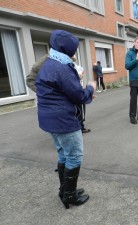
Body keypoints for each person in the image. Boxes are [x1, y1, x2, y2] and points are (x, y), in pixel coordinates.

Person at [35, 30, 96, 209]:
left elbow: (63, 92)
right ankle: (69, 195)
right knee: (75, 157)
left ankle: (64, 190)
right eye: (74, 49)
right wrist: (91, 89)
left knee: (63, 154)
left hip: (49, 119)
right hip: (63, 120)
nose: (75, 52)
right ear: (68, 49)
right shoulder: (62, 68)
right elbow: (78, 95)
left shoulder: (49, 63)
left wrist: (83, 93)